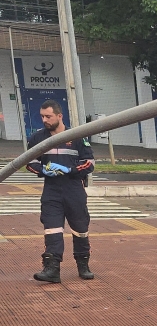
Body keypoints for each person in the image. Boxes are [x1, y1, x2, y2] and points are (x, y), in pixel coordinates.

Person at [27, 99, 95, 283]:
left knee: (80, 228)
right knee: (52, 228)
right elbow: (30, 162)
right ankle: (52, 268)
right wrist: (43, 170)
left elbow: (90, 163)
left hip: (73, 188)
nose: (44, 120)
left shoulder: (77, 137)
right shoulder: (37, 138)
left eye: (48, 116)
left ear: (59, 116)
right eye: (42, 116)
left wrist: (70, 170)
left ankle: (83, 264)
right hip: (51, 189)